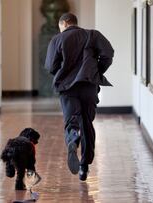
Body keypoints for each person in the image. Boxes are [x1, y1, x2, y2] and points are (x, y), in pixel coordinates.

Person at [45, 13, 114, 181]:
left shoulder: (57, 39)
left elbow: (50, 66)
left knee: (73, 120)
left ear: (64, 23)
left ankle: (73, 140)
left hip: (68, 88)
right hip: (89, 85)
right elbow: (108, 54)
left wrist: (63, 73)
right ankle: (84, 166)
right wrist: (95, 70)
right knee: (87, 123)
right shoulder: (92, 35)